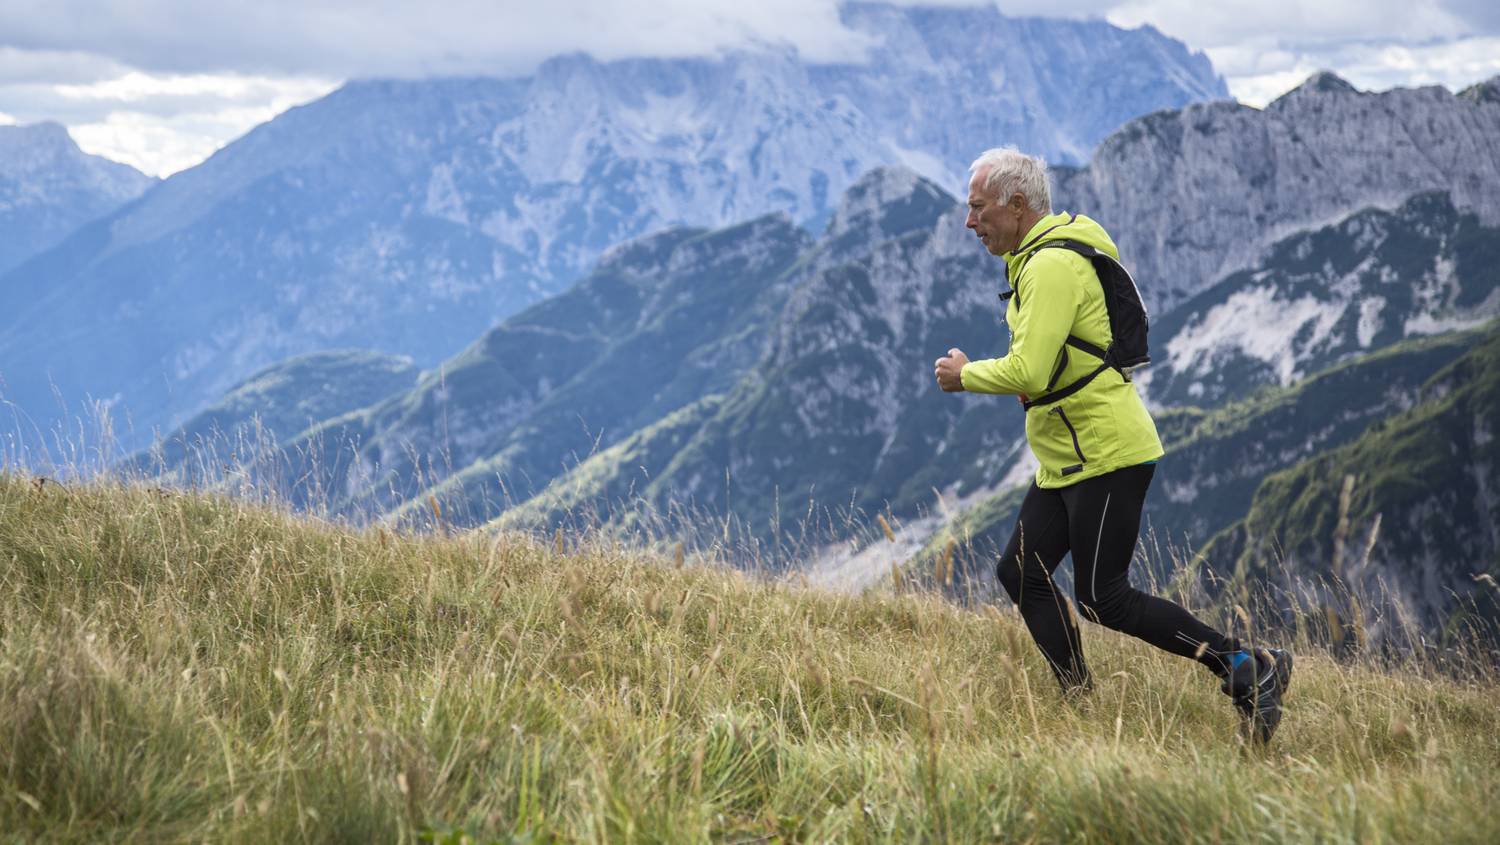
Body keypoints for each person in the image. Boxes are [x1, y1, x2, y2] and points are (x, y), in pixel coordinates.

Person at [932, 146, 1292, 744]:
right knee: (1022, 571)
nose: (971, 222)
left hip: (1105, 455)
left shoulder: (1048, 267)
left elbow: (1029, 369)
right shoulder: (1038, 258)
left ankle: (1249, 666)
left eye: (977, 208)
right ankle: (1077, 703)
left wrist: (964, 374)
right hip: (1067, 458)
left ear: (1016, 205)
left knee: (1104, 597)